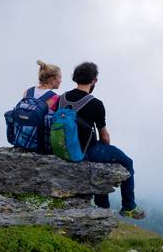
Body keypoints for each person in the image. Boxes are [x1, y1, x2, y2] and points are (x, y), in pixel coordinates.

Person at [62, 62, 145, 219]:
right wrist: (104, 147)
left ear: (75, 78)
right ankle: (128, 206)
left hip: (65, 147)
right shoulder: (95, 104)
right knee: (127, 162)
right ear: (94, 80)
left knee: (103, 161)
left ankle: (102, 207)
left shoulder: (62, 98)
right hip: (88, 150)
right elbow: (104, 137)